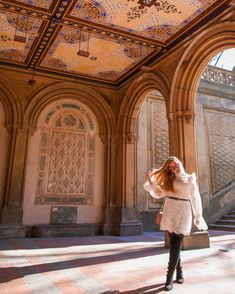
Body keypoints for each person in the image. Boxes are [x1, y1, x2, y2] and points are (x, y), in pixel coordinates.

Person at [143, 156, 208, 291]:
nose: (175, 169)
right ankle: (179, 272)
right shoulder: (169, 180)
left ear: (180, 164)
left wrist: (198, 216)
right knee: (174, 244)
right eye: (171, 167)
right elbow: (157, 194)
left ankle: (168, 279)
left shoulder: (190, 179)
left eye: (176, 165)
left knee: (176, 244)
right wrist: (151, 181)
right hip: (169, 211)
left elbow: (195, 198)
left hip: (183, 212)